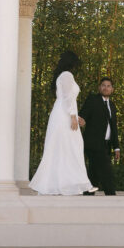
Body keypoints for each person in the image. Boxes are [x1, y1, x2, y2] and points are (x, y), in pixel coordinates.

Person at [29, 51, 97, 196]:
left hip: (63, 113)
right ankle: (79, 183)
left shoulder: (62, 75)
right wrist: (72, 116)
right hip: (64, 116)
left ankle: (68, 184)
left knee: (65, 147)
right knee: (72, 146)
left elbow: (68, 99)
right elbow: (67, 97)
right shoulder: (67, 75)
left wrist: (75, 115)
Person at [79, 77, 120, 195]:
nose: (105, 88)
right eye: (103, 85)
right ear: (99, 87)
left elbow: (114, 128)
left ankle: (87, 196)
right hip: (93, 143)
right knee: (106, 171)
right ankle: (111, 195)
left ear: (112, 89)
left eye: (108, 86)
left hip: (106, 145)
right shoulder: (93, 100)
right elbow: (82, 115)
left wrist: (116, 147)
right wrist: (81, 120)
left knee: (94, 174)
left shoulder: (112, 105)